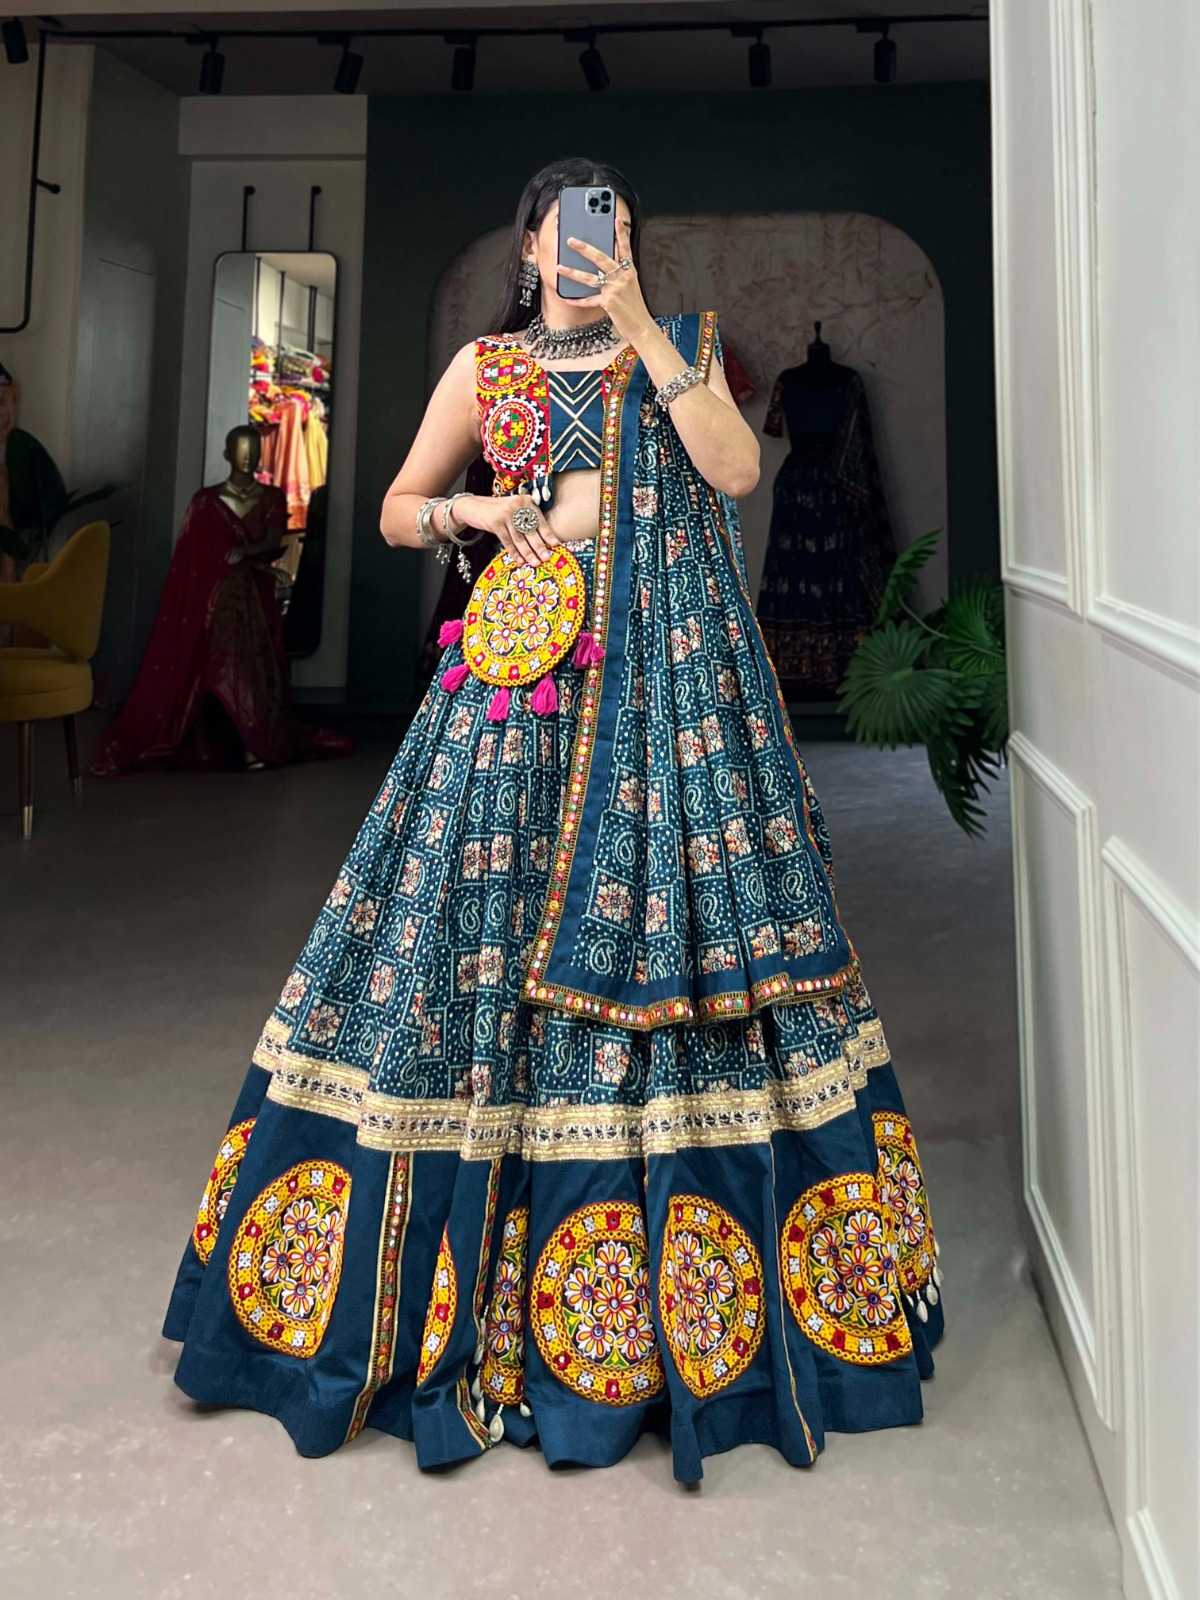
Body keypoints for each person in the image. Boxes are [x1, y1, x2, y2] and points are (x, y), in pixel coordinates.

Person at [163, 158, 945, 1484]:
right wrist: (470, 509)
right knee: (471, 945)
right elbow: (398, 506)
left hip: (669, 697)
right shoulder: (487, 370)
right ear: (530, 245)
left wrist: (643, 325)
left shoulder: (681, 347)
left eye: (620, 228)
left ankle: (694, 1308)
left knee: (692, 954)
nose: (598, 244)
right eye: (578, 227)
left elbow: (735, 471)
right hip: (523, 685)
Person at [91, 426, 350, 773]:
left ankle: (253, 735)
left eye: (253, 449)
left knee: (240, 616)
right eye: (240, 449)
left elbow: (272, 542)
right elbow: (193, 556)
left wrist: (244, 553)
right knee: (222, 616)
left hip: (252, 592)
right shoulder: (206, 501)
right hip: (212, 594)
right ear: (227, 454)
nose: (248, 456)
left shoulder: (271, 498)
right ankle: (226, 735)